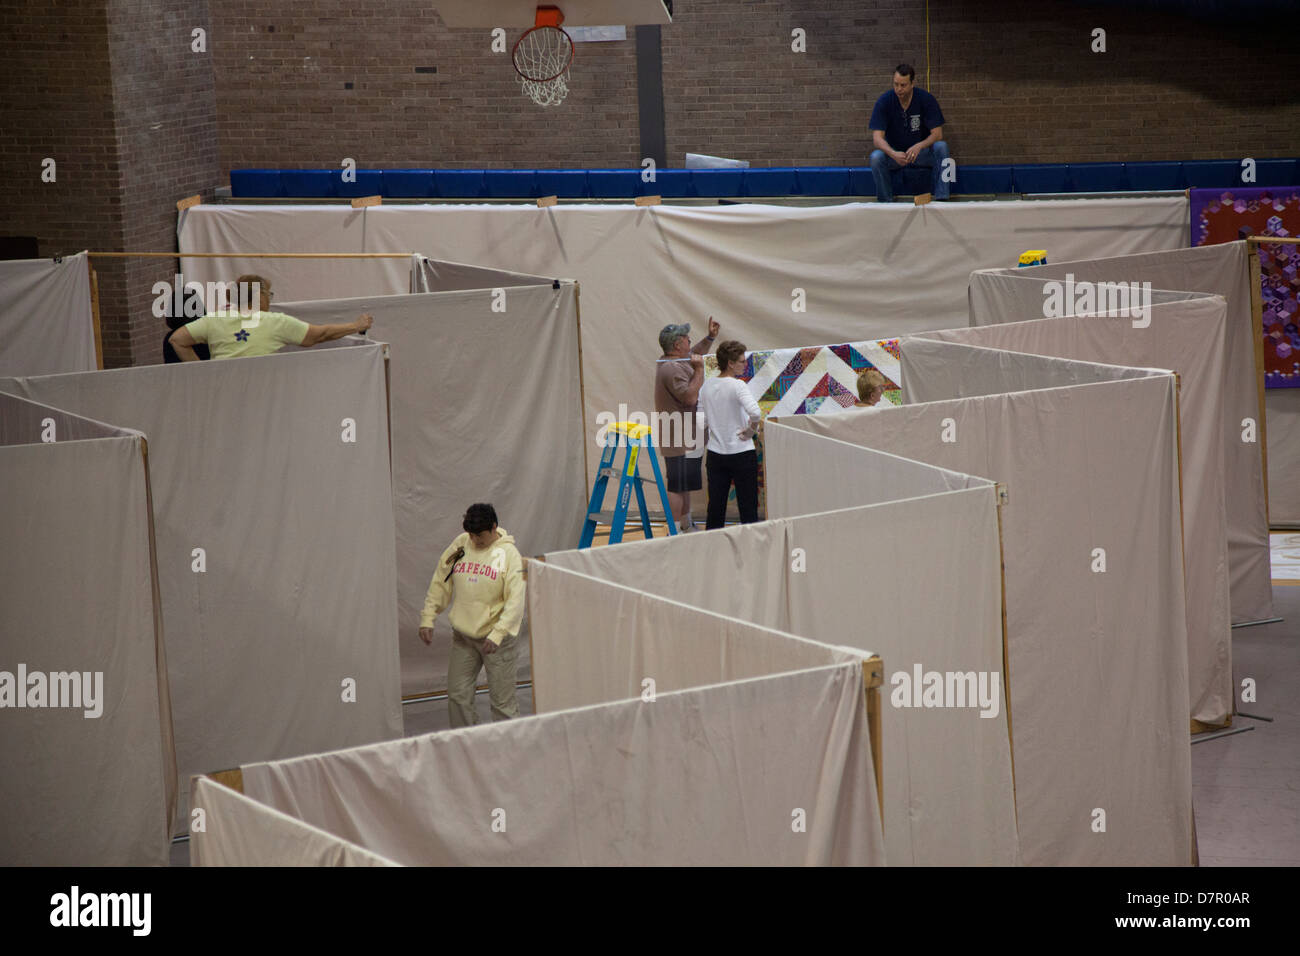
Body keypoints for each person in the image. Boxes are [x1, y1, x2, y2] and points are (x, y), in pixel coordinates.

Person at [418, 503, 525, 728]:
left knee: (502, 704)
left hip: (497, 641)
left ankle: (512, 754)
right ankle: (465, 746)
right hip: (464, 638)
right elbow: (441, 580)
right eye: (472, 535)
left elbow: (516, 601)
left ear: (494, 527)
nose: (475, 540)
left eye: (480, 535)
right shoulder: (461, 545)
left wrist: (497, 634)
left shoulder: (508, 555)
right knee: (458, 696)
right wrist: (428, 617)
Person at [168, 273, 373, 361]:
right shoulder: (275, 322)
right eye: (269, 295)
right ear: (259, 296)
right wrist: (355, 326)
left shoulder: (213, 320)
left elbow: (177, 340)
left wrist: (201, 370)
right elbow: (319, 335)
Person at [654, 317, 721, 532]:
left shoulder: (672, 361)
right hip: (679, 439)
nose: (689, 340)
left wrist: (710, 337)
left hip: (686, 438)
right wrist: (700, 371)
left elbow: (695, 354)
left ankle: (685, 525)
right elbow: (690, 398)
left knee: (684, 485)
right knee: (677, 486)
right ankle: (674, 531)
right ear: (677, 345)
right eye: (685, 338)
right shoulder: (672, 369)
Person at [698, 339, 762, 530]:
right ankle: (751, 549)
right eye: (742, 361)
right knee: (748, 507)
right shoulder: (738, 386)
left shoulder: (706, 386)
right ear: (731, 363)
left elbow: (701, 421)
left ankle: (712, 550)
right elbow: (756, 413)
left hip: (716, 454)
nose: (745, 364)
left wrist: (717, 423)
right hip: (742, 453)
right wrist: (751, 431)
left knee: (715, 508)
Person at [868, 63, 950, 203]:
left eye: (903, 85)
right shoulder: (884, 101)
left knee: (941, 147)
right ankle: (885, 202)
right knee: (876, 157)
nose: (898, 89)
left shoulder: (926, 99)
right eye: (896, 84)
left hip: (920, 154)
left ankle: (942, 198)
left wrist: (919, 146)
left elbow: (938, 134)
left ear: (912, 83)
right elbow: (877, 139)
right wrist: (893, 153)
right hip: (896, 155)